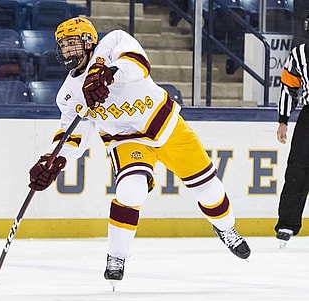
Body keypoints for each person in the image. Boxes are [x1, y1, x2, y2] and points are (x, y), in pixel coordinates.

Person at [28, 17, 251, 286]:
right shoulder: (68, 94)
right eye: (63, 45)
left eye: (72, 43)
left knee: (210, 188)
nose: (67, 50)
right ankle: (116, 256)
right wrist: (53, 160)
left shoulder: (113, 43)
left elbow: (139, 65)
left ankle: (227, 229)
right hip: (125, 140)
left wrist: (109, 73)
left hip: (166, 125)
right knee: (129, 190)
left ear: (89, 42)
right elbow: (72, 135)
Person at [275, 14, 309, 248]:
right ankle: (287, 223)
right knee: (297, 169)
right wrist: (283, 120)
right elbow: (289, 88)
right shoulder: (299, 54)